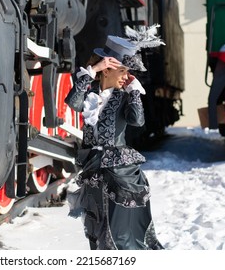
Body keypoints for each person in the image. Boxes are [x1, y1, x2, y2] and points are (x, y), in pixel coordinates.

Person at [65, 33, 164, 250]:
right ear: (107, 69)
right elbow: (72, 102)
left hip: (119, 169)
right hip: (93, 166)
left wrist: (134, 93)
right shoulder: (88, 93)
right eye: (123, 71)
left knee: (119, 228)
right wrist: (93, 71)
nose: (126, 77)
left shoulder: (125, 96)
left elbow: (137, 121)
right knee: (97, 222)